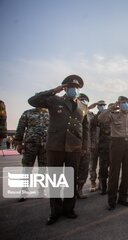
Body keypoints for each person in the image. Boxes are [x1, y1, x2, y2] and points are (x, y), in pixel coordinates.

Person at [28, 74, 88, 225]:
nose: (74, 89)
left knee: (70, 179)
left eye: (76, 88)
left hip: (74, 147)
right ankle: (55, 211)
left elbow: (85, 128)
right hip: (55, 145)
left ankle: (69, 209)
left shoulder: (83, 106)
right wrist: (53, 91)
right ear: (65, 88)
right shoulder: (54, 100)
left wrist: (84, 147)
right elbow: (32, 101)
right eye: (70, 87)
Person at [98, 96, 128, 210]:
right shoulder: (113, 114)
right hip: (117, 143)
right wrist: (112, 107)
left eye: (126, 102)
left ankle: (123, 198)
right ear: (119, 104)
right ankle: (112, 200)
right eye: (122, 102)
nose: (124, 104)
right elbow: (101, 118)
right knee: (114, 172)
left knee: (127, 172)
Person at [14, 107, 49, 201]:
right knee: (26, 169)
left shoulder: (50, 113)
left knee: (43, 169)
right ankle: (24, 192)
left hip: (45, 146)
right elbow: (20, 128)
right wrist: (19, 143)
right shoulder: (28, 113)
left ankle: (41, 191)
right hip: (30, 145)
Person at [75, 93, 95, 199]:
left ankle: (80, 190)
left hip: (86, 146)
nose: (83, 102)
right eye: (81, 99)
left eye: (85, 101)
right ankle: (71, 192)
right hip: (73, 146)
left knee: (84, 169)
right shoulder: (70, 111)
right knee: (72, 170)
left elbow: (92, 131)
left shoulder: (90, 115)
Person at [91, 100, 111, 195]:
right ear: (97, 107)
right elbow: (91, 130)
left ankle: (102, 184)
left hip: (105, 146)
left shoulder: (109, 116)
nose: (102, 106)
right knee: (93, 166)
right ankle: (93, 183)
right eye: (100, 105)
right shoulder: (94, 118)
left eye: (103, 105)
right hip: (95, 145)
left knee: (104, 166)